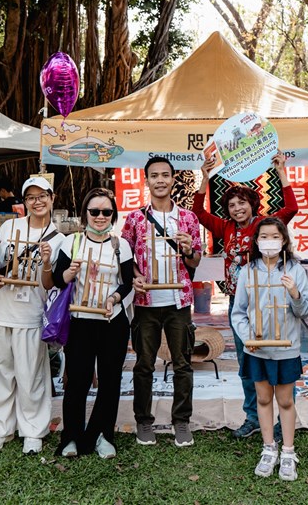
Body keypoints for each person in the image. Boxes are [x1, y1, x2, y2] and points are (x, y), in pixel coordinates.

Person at [193, 151, 298, 439]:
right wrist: (204, 177)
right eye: (231, 205)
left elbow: (291, 208)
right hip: (238, 307)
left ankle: (282, 417)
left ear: (252, 203)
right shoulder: (224, 227)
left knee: (276, 359)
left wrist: (282, 172)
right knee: (247, 363)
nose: (237, 208)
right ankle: (253, 417)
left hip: (269, 304)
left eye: (242, 203)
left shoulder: (264, 226)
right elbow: (199, 213)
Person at [121, 156, 202, 448]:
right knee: (144, 364)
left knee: (182, 363)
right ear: (146, 180)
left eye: (165, 175)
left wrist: (189, 248)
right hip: (145, 302)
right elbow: (124, 256)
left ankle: (181, 421)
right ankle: (144, 421)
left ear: (172, 179)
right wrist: (134, 276)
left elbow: (196, 259)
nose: (159, 180)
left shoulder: (188, 218)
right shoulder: (134, 218)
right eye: (154, 175)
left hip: (178, 301)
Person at [0, 177, 64, 455]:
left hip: (31, 313)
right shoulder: (9, 227)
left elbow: (52, 284)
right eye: (31, 197)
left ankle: (32, 430)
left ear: (52, 198)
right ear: (24, 201)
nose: (37, 201)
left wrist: (49, 262)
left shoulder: (60, 239)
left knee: (31, 375)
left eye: (42, 196)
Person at [53, 188, 134, 459]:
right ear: (85, 213)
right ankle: (71, 437)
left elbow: (127, 283)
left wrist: (113, 297)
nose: (100, 216)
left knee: (111, 380)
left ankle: (102, 435)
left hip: (113, 321)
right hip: (80, 321)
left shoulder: (120, 244)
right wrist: (69, 272)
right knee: (77, 380)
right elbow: (57, 279)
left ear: (113, 214)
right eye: (95, 211)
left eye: (106, 212)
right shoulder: (71, 242)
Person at [231, 217, 308, 481]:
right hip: (257, 348)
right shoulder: (248, 270)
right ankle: (269, 449)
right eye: (264, 237)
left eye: (274, 236)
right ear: (256, 241)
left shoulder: (296, 270)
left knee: (286, 400)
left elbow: (306, 310)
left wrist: (295, 294)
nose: (269, 242)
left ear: (284, 240)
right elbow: (239, 312)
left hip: (286, 348)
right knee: (264, 399)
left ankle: (288, 451)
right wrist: (248, 338)